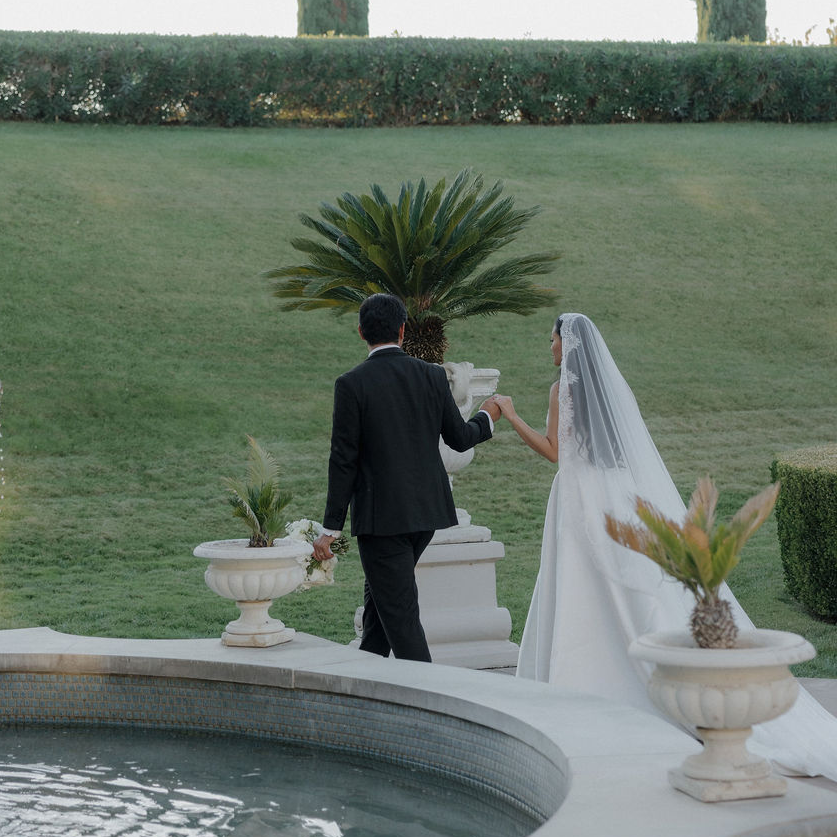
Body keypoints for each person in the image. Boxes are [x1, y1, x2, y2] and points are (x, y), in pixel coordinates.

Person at [493, 311, 837, 779]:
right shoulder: (606, 392)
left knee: (580, 583)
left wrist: (510, 415)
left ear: (567, 345)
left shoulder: (562, 390)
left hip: (578, 497)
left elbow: (555, 451)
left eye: (552, 340)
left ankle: (584, 677)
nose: (549, 347)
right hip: (613, 495)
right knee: (619, 585)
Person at [312, 293, 502, 662]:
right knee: (380, 611)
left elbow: (343, 460)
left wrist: (330, 529)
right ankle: (366, 679)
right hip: (426, 517)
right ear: (402, 330)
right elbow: (460, 439)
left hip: (383, 524)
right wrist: (487, 415)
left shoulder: (351, 384)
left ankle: (432, 700)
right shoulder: (432, 376)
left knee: (400, 617)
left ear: (360, 332)